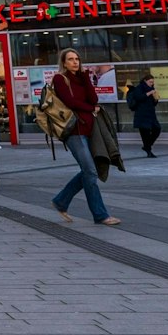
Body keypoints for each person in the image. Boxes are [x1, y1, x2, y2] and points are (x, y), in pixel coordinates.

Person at [49, 48, 120, 225]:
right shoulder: (60, 79)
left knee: (89, 171)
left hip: (90, 131)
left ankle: (61, 201)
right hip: (74, 132)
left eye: (77, 59)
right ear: (64, 62)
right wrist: (90, 109)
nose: (75, 62)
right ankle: (100, 215)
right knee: (90, 171)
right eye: (71, 59)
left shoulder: (83, 78)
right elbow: (70, 102)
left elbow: (93, 98)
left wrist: (86, 78)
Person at [126, 73, 162, 157]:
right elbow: (138, 97)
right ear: (145, 81)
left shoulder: (151, 88)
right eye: (150, 82)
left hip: (151, 114)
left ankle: (147, 146)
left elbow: (153, 103)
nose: (152, 83)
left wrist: (155, 99)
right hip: (141, 114)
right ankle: (149, 151)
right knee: (145, 133)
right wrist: (149, 93)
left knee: (157, 129)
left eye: (152, 82)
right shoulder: (139, 88)